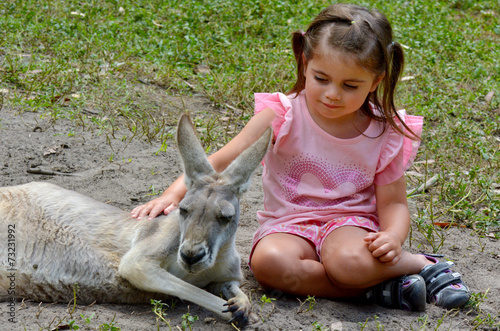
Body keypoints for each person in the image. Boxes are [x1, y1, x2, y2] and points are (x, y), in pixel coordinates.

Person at [131, 3, 470, 311]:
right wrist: (172, 194)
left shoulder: (382, 131)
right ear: (305, 63)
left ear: (376, 81)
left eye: (351, 85)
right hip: (287, 226)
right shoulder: (282, 115)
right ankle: (381, 290)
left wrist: (393, 239)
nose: (332, 94)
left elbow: (394, 203)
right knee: (268, 265)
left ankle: (421, 265)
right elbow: (219, 161)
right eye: (321, 79)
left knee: (348, 263)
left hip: (350, 227)